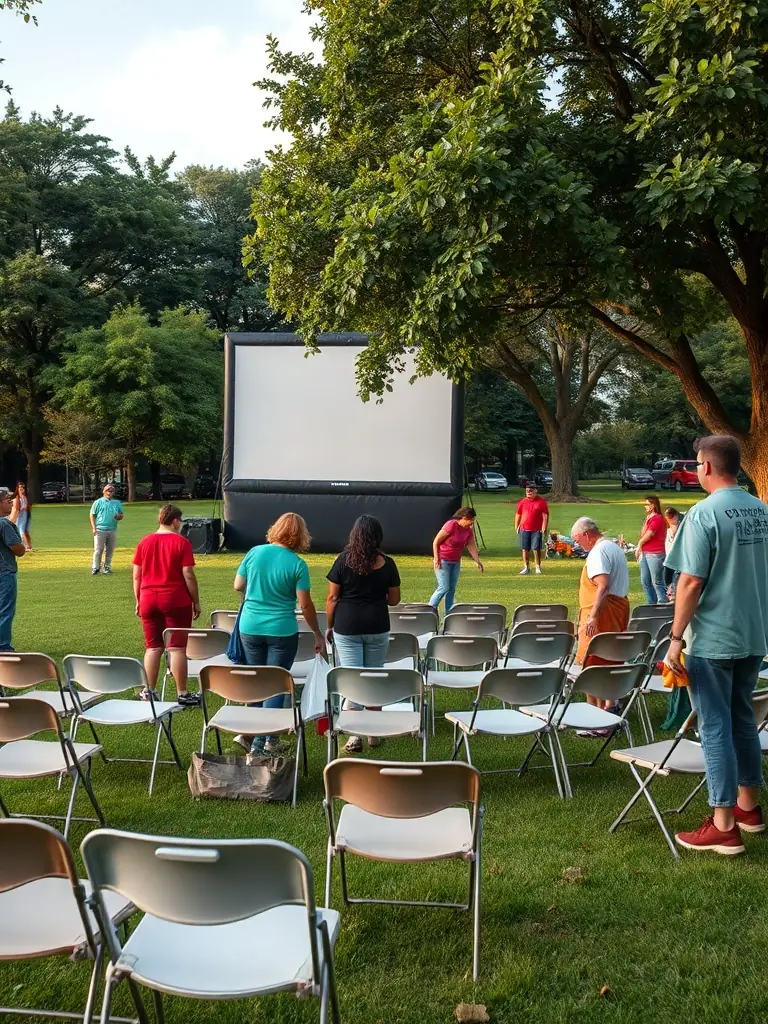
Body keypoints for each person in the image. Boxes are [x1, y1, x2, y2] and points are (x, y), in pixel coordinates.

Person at [665, 435, 768, 856]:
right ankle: (749, 808)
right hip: (754, 634)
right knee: (743, 719)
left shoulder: (704, 514)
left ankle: (723, 824)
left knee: (715, 727)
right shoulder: (762, 510)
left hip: (713, 638)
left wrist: (674, 639)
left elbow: (690, 581)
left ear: (704, 466)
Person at [233, 512, 324, 756]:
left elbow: (238, 585)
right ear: (301, 536)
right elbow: (305, 605)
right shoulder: (297, 564)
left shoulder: (254, 552)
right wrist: (317, 632)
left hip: (250, 626)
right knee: (276, 684)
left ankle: (255, 735)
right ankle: (262, 743)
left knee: (258, 680)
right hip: (281, 630)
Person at [326, 515, 401, 753]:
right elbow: (394, 600)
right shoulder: (387, 563)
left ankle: (354, 735)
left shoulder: (342, 561)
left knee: (353, 680)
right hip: (377, 624)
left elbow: (332, 598)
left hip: (347, 626)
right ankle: (373, 733)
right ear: (378, 536)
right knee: (373, 677)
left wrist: (329, 625)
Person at [132, 504, 201, 705]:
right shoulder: (181, 542)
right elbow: (188, 574)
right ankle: (183, 693)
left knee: (153, 647)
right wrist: (195, 601)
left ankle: (149, 690)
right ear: (175, 521)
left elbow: (137, 575)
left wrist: (138, 600)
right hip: (174, 598)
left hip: (148, 597)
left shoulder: (144, 542)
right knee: (177, 648)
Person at [570, 516, 630, 722]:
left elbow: (603, 584)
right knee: (609, 660)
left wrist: (593, 615)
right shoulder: (613, 547)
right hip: (617, 611)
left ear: (587, 534)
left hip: (601, 615)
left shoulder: (598, 552)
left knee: (592, 664)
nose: (578, 544)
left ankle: (595, 716)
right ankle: (611, 705)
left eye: (578, 540)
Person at [429, 507, 484, 613]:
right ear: (464, 518)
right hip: (443, 560)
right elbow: (436, 541)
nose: (471, 523)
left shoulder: (468, 530)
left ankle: (449, 613)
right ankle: (430, 609)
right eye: (470, 520)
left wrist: (477, 561)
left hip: (455, 561)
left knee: (451, 589)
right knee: (443, 587)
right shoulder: (451, 525)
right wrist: (436, 558)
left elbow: (471, 545)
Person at [0, 487, 25, 652]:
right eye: (7, 499)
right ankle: (3, 647)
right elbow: (19, 549)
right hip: (5, 573)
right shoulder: (4, 524)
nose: (11, 501)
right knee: (5, 611)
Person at [635, 494, 668, 605]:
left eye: (647, 504)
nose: (645, 506)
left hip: (655, 554)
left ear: (653, 506)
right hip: (646, 553)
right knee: (645, 581)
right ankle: (651, 604)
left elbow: (650, 534)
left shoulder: (657, 518)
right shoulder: (649, 518)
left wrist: (639, 545)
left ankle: (662, 604)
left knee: (657, 582)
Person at [89, 483, 124, 575]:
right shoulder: (98, 502)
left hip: (112, 529)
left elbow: (121, 514)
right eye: (108, 490)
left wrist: (119, 516)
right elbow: (92, 515)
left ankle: (107, 567)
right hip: (100, 529)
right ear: (104, 491)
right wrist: (94, 528)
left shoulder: (117, 503)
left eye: (112, 491)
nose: (110, 492)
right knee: (98, 550)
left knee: (110, 550)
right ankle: (95, 567)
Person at [515, 482, 549, 575]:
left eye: (531, 490)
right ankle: (526, 567)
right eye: (527, 491)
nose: (529, 492)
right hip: (524, 528)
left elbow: (545, 516)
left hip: (536, 530)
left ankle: (537, 567)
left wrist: (544, 527)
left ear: (536, 491)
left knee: (535, 548)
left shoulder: (541, 502)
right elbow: (518, 514)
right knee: (524, 549)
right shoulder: (523, 502)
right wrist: (517, 525)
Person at [663, 506, 683, 599]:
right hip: (670, 554)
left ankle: (674, 594)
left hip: (679, 556)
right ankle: (670, 592)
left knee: (676, 575)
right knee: (668, 574)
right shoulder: (669, 524)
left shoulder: (682, 522)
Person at [10, 483, 32, 552]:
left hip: (23, 516)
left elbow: (26, 507)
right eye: (20, 487)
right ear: (18, 488)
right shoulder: (17, 498)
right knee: (20, 531)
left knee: (22, 531)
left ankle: (27, 546)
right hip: (19, 516)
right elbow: (15, 509)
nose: (22, 488)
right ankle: (25, 546)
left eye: (23, 487)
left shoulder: (24, 497)